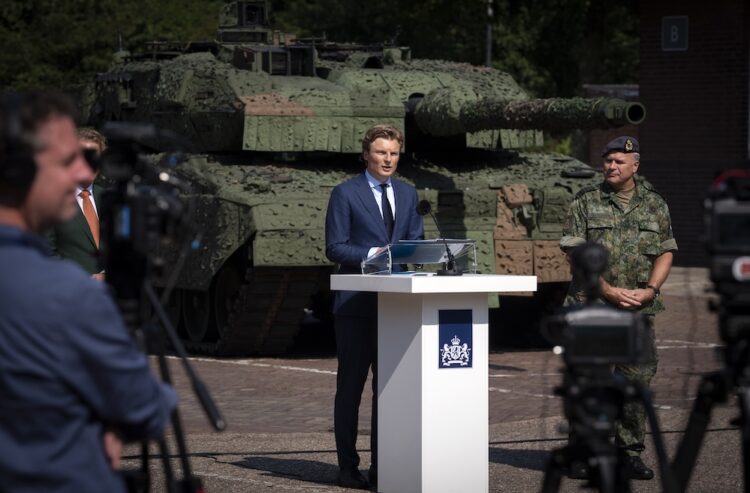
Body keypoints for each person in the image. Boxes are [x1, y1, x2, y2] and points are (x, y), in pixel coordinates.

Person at [0, 91, 177, 492]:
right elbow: (145, 408)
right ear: (21, 169)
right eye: (67, 161)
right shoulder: (63, 294)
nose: (81, 172)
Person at [560, 136, 678, 480]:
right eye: (608, 160)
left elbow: (666, 251)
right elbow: (572, 251)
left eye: (619, 161)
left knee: (636, 381)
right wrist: (608, 290)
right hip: (593, 306)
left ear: (635, 166)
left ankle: (629, 454)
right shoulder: (586, 200)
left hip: (638, 310)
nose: (611, 166)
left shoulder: (655, 204)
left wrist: (650, 291)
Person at [325, 124, 424, 489]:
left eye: (394, 153)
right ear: (366, 154)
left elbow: (414, 241)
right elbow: (335, 247)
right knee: (351, 388)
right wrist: (373, 254)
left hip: (398, 305)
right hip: (355, 306)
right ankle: (347, 467)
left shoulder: (408, 193)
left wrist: (421, 253)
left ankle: (385, 467)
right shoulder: (345, 193)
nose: (388, 159)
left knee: (390, 389)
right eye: (381, 152)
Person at [47, 127, 106, 279]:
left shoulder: (108, 197)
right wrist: (85, 279)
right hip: (70, 294)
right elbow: (47, 254)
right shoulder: (53, 200)